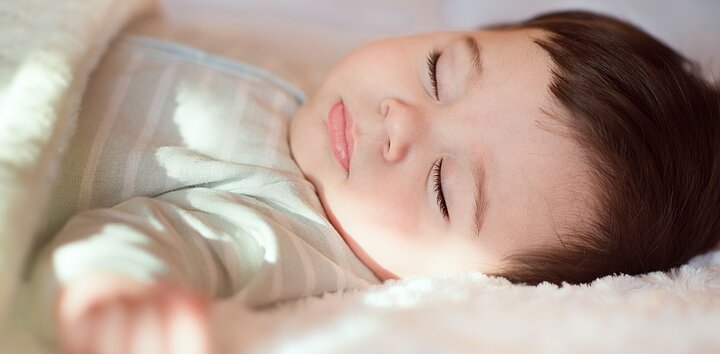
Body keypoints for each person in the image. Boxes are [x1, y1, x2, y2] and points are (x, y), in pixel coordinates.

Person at [28, 10, 720, 354]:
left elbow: (145, 239)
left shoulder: (289, 234)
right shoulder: (303, 86)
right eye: (439, 71)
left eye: (445, 188)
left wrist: (116, 290)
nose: (401, 122)